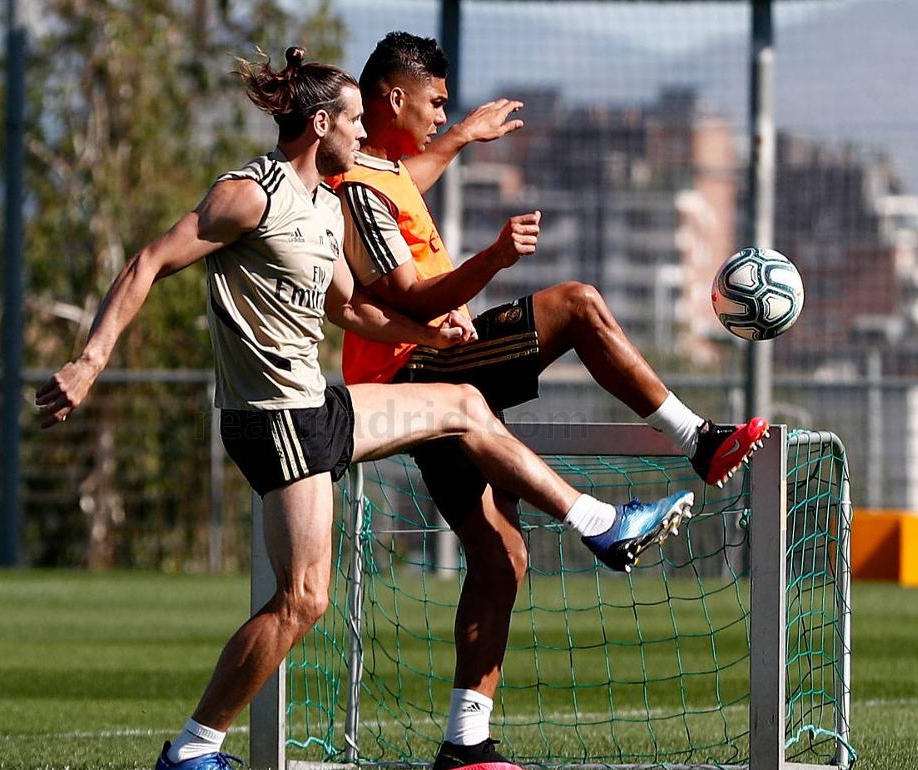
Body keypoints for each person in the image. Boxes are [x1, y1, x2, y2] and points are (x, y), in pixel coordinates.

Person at [34, 48, 694, 770]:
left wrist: (426, 331)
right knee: (303, 601)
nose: (363, 133)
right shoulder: (249, 194)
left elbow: (350, 307)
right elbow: (148, 263)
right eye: (352, 120)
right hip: (274, 420)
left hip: (315, 407)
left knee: (464, 405)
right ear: (320, 124)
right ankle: (194, 750)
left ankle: (600, 524)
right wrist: (89, 361)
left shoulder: (325, 205)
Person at [327, 31, 770, 770]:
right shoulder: (361, 189)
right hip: (415, 375)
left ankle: (466, 746)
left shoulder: (385, 169)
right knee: (575, 305)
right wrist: (493, 259)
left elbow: (413, 176)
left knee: (502, 556)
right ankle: (699, 441)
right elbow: (409, 292)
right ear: (391, 99)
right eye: (436, 103)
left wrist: (465, 136)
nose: (443, 115)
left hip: (425, 371)